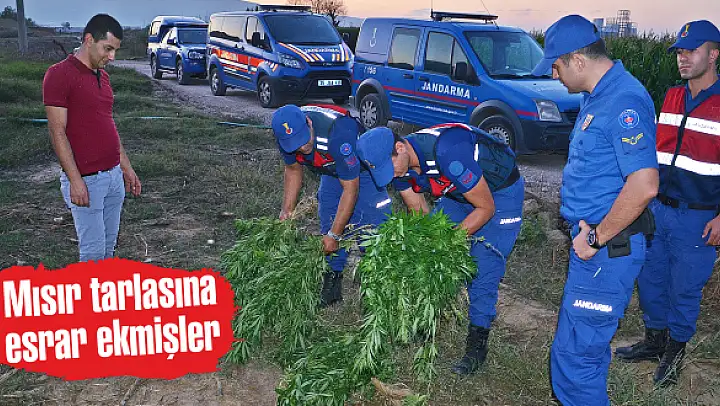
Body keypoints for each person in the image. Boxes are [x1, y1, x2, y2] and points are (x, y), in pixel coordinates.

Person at [531, 15, 660, 405]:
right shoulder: (597, 95)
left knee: (577, 359)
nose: (553, 75)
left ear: (577, 60)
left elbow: (644, 184)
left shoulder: (624, 101)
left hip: (607, 248)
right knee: (579, 347)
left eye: (556, 66)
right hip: (595, 248)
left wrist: (596, 237)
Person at [355, 123, 525, 375]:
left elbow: (486, 208)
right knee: (429, 254)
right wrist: (429, 246)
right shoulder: (402, 168)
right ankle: (426, 317)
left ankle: (477, 344)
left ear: (400, 148)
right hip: (458, 194)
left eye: (389, 167)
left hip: (499, 194)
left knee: (483, 267)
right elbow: (419, 212)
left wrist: (448, 242)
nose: (391, 176)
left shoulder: (448, 152)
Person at [615, 20, 720, 386]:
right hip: (658, 208)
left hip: (698, 217)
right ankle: (655, 340)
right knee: (650, 277)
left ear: (714, 55)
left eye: (692, 51)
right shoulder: (673, 96)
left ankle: (675, 352)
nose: (683, 58)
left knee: (684, 288)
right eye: (679, 51)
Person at [271, 104, 392, 307]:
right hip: (331, 171)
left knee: (372, 227)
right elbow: (293, 169)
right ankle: (332, 282)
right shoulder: (287, 136)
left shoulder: (339, 135)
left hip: (362, 172)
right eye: (295, 145)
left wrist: (335, 235)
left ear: (309, 123)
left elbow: (351, 189)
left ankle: (378, 286)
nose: (302, 147)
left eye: (304, 139)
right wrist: (287, 210)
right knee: (328, 218)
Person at [43, 14, 141, 262]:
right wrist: (75, 181)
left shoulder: (103, 76)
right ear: (89, 40)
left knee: (107, 249)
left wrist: (126, 168)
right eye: (107, 49)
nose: (112, 57)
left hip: (113, 177)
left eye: (115, 50)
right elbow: (57, 131)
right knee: (93, 254)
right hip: (88, 180)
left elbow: (107, 124)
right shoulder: (59, 75)